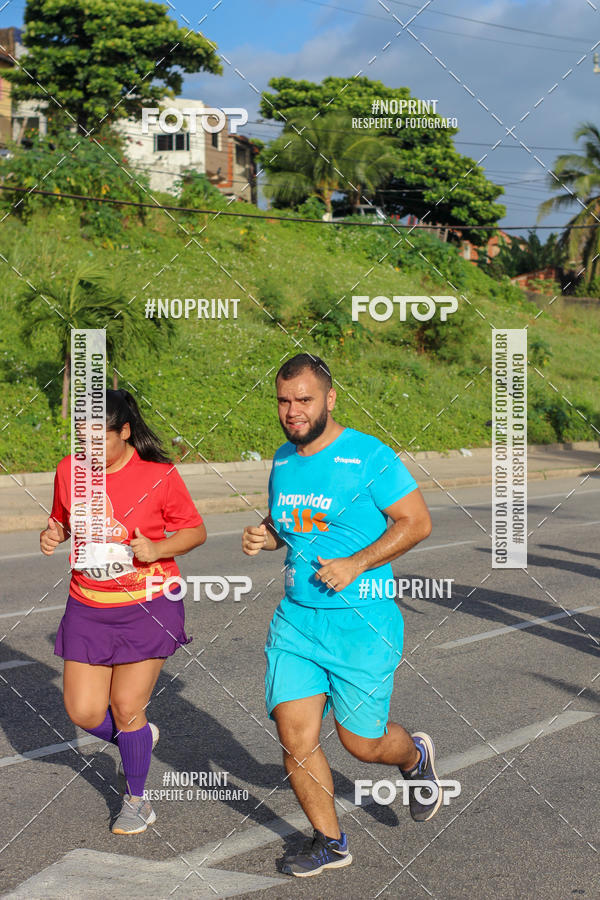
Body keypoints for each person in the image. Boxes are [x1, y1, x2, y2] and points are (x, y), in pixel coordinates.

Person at [242, 353, 441, 878]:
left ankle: (413, 757)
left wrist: (357, 562)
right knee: (295, 738)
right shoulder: (284, 460)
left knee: (362, 744)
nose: (293, 411)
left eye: (304, 399)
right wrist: (266, 535)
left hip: (363, 624)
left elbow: (416, 522)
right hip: (297, 621)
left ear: (330, 399)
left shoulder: (369, 456)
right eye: (284, 401)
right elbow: (290, 525)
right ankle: (330, 842)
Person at [40, 389, 206, 835]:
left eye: (99, 440)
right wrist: (52, 534)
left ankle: (136, 800)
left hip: (148, 603)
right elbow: (63, 521)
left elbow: (195, 531)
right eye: (82, 440)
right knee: (83, 711)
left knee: (127, 706)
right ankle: (138, 740)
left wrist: (158, 548)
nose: (89, 451)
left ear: (125, 431)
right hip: (87, 605)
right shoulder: (68, 471)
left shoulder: (159, 475)